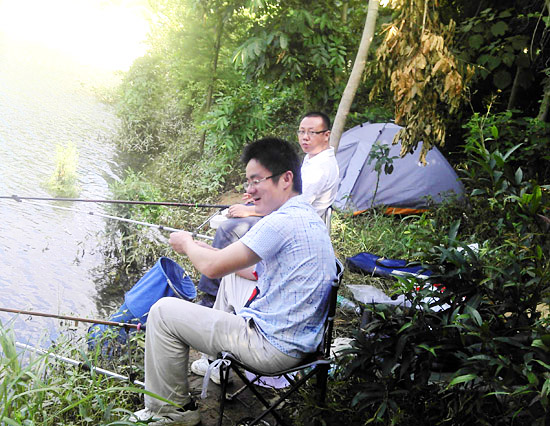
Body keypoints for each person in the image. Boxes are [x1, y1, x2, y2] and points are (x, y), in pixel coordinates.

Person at [130, 137, 337, 425]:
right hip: (301, 339)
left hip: (272, 347)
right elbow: (229, 263)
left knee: (164, 313)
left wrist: (187, 243)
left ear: (286, 178)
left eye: (256, 181)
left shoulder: (278, 223)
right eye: (247, 182)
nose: (249, 191)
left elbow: (212, 268)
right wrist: (206, 251)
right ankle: (214, 363)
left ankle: (172, 411)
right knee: (231, 277)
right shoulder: (304, 216)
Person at [197, 111, 339, 307]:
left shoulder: (321, 167)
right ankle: (219, 290)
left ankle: (210, 295)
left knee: (228, 229)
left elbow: (294, 205)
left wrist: (250, 211)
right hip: (287, 216)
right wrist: (258, 196)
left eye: (312, 132)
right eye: (301, 132)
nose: (305, 137)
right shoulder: (312, 158)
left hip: (295, 224)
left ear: (326, 134)